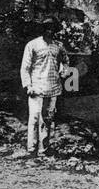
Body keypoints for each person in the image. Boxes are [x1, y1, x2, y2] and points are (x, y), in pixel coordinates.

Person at [20, 19, 70, 156]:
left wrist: (64, 71)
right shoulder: (33, 45)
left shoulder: (58, 46)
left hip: (53, 87)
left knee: (47, 119)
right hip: (36, 87)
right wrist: (28, 85)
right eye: (47, 28)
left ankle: (43, 149)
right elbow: (25, 67)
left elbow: (66, 61)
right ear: (42, 29)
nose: (49, 31)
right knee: (34, 118)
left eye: (52, 28)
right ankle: (31, 149)